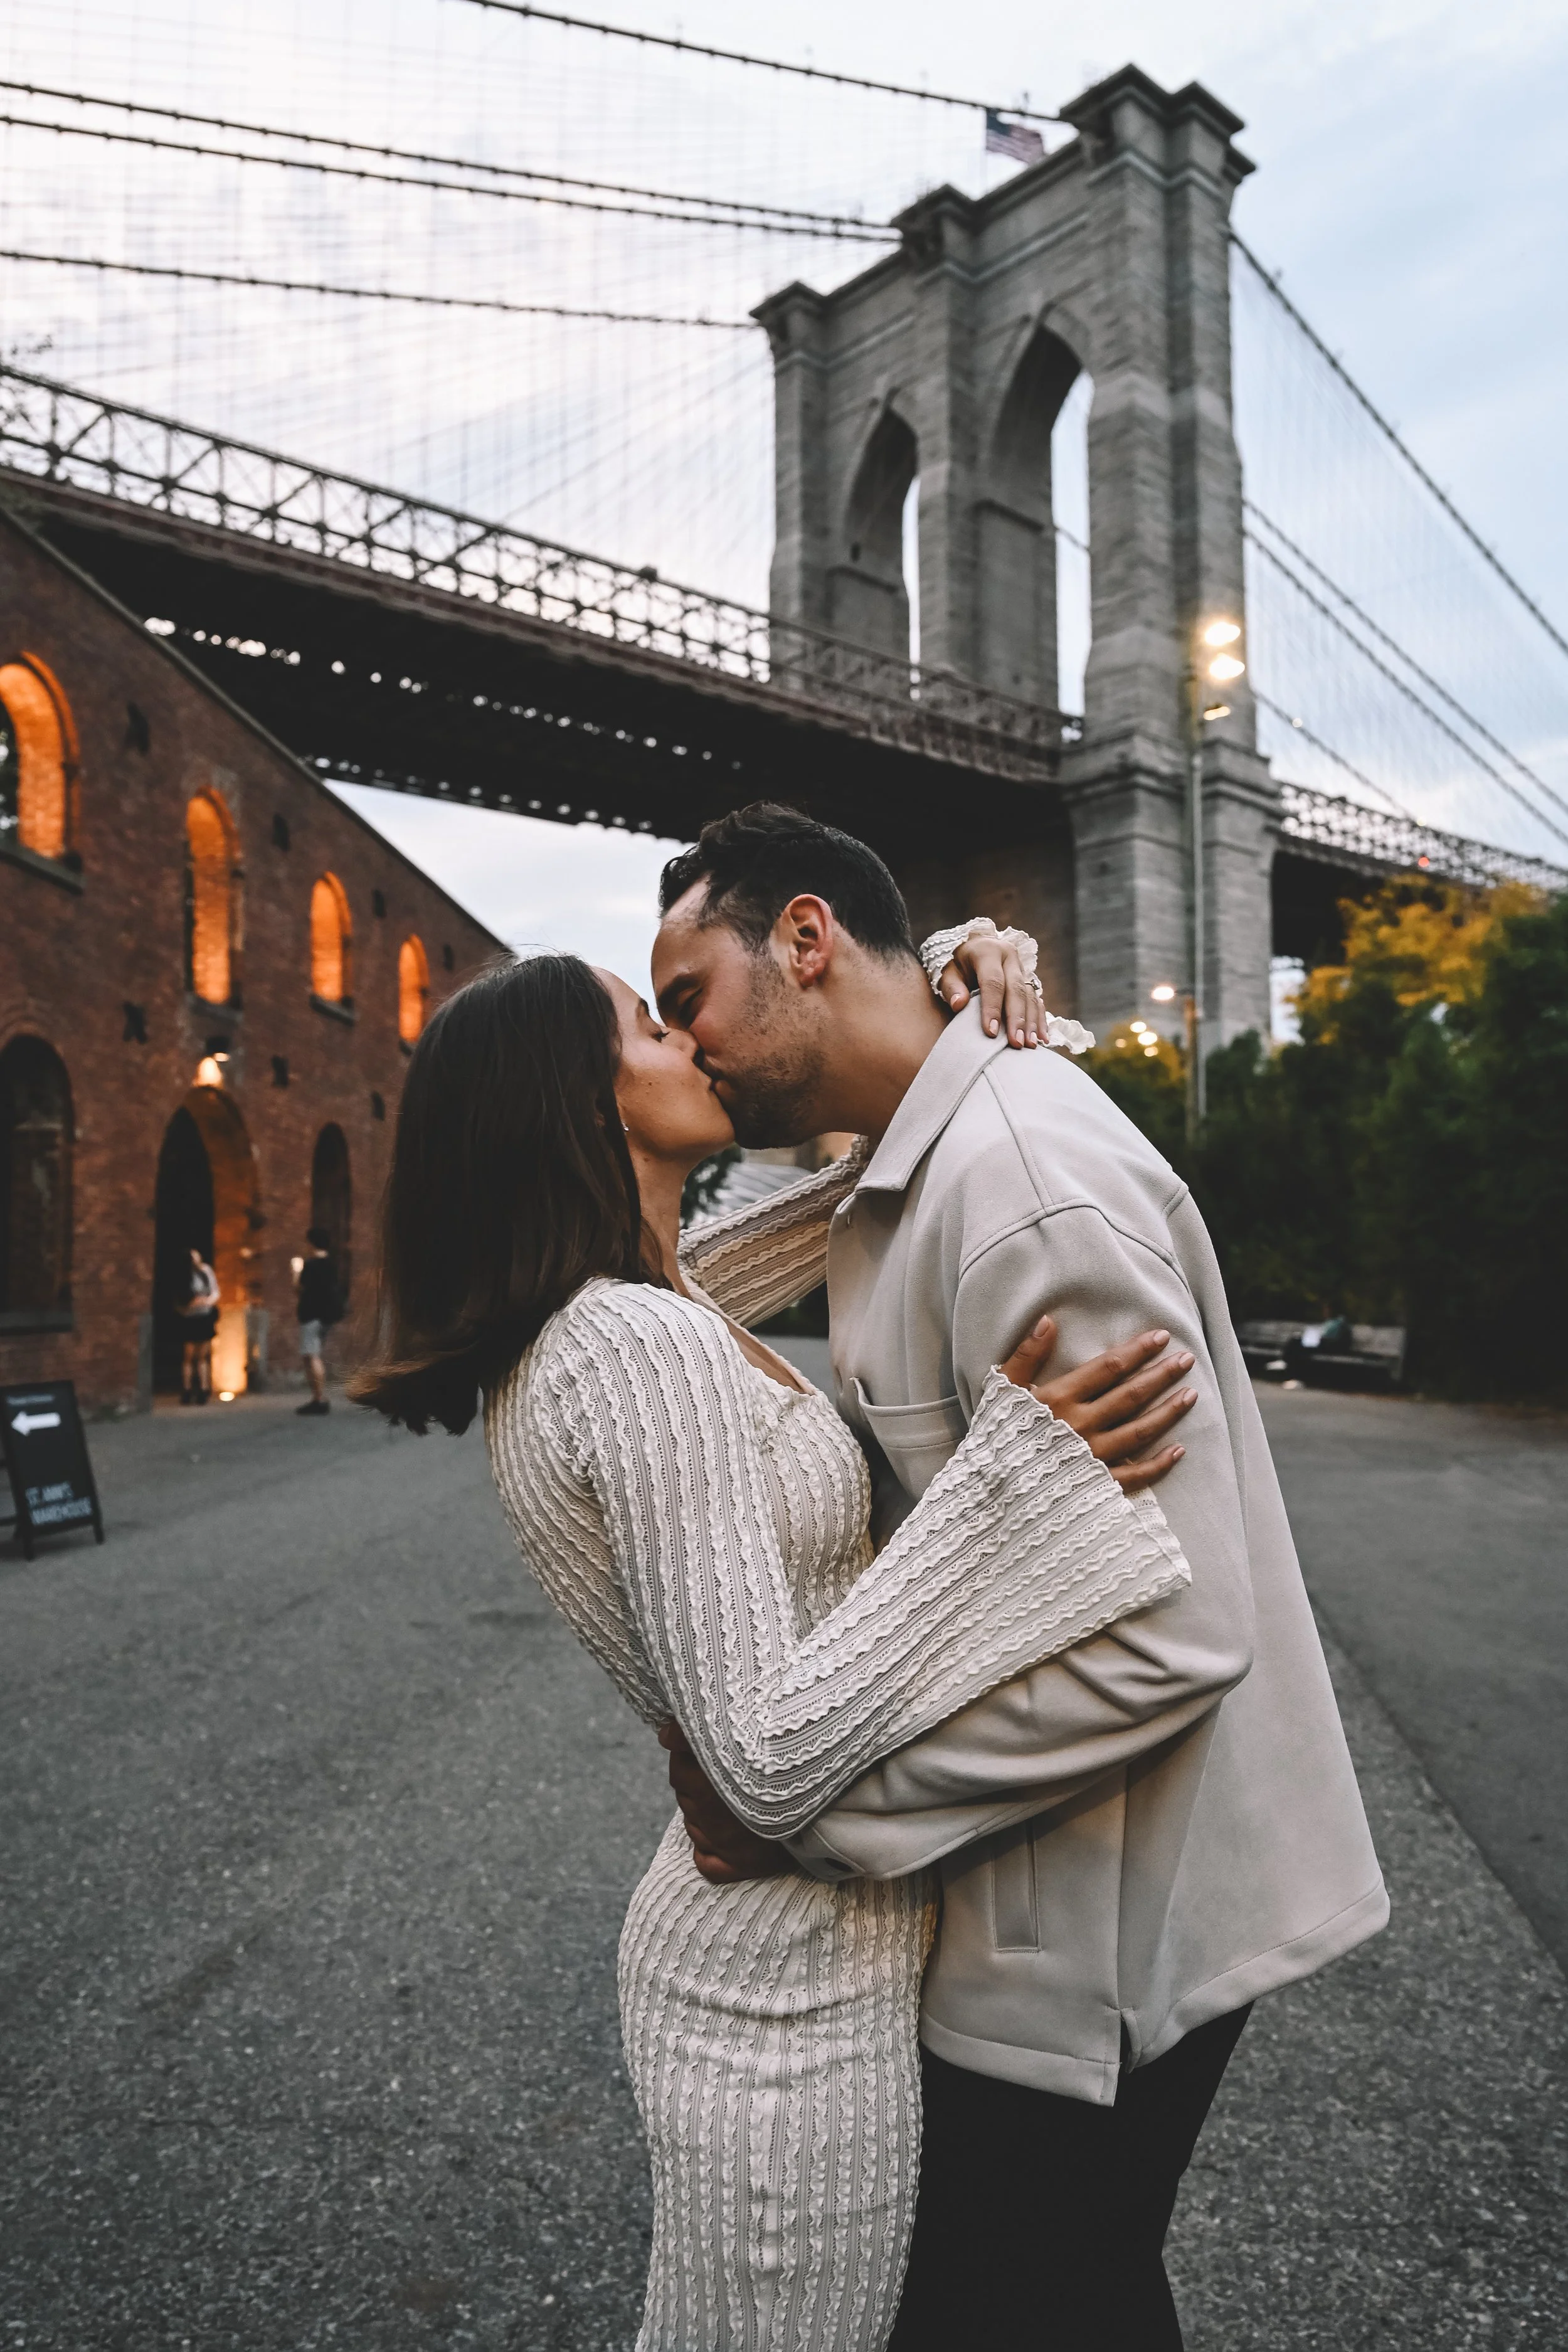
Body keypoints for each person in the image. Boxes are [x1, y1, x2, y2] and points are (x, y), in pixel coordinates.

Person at [351, 927, 1200, 2352]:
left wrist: (940, 987)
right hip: (776, 1994)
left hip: (809, 1950)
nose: (688, 1039)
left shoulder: (655, 1296)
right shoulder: (632, 1344)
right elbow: (761, 1753)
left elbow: (869, 1185)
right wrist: (1014, 1480)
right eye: (645, 1024)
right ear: (574, 1098)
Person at [650, 803, 1388, 2351]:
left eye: (686, 998)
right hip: (1041, 1888)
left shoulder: (1026, 1187)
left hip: (1104, 1921)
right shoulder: (919, 1144)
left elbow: (1173, 1630)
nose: (687, 1041)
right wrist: (936, 968)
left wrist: (818, 1817)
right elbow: (680, 1289)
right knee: (1072, 2296)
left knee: (1015, 2304)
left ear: (801, 936)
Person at [295, 1226, 342, 1416]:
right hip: (325, 1316)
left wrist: (296, 1270)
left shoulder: (311, 1265)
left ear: (311, 1243)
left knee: (311, 1355)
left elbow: (298, 1289)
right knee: (313, 1353)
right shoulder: (331, 1265)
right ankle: (319, 1397)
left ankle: (319, 1398)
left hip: (311, 1315)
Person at [176, 1246, 220, 1406]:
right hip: (189, 1318)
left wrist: (206, 1301)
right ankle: (186, 1389)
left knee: (203, 1355)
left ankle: (204, 1388)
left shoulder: (205, 1272)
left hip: (205, 1317)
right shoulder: (183, 1276)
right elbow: (180, 1299)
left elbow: (215, 1291)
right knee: (188, 1355)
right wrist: (190, 1304)